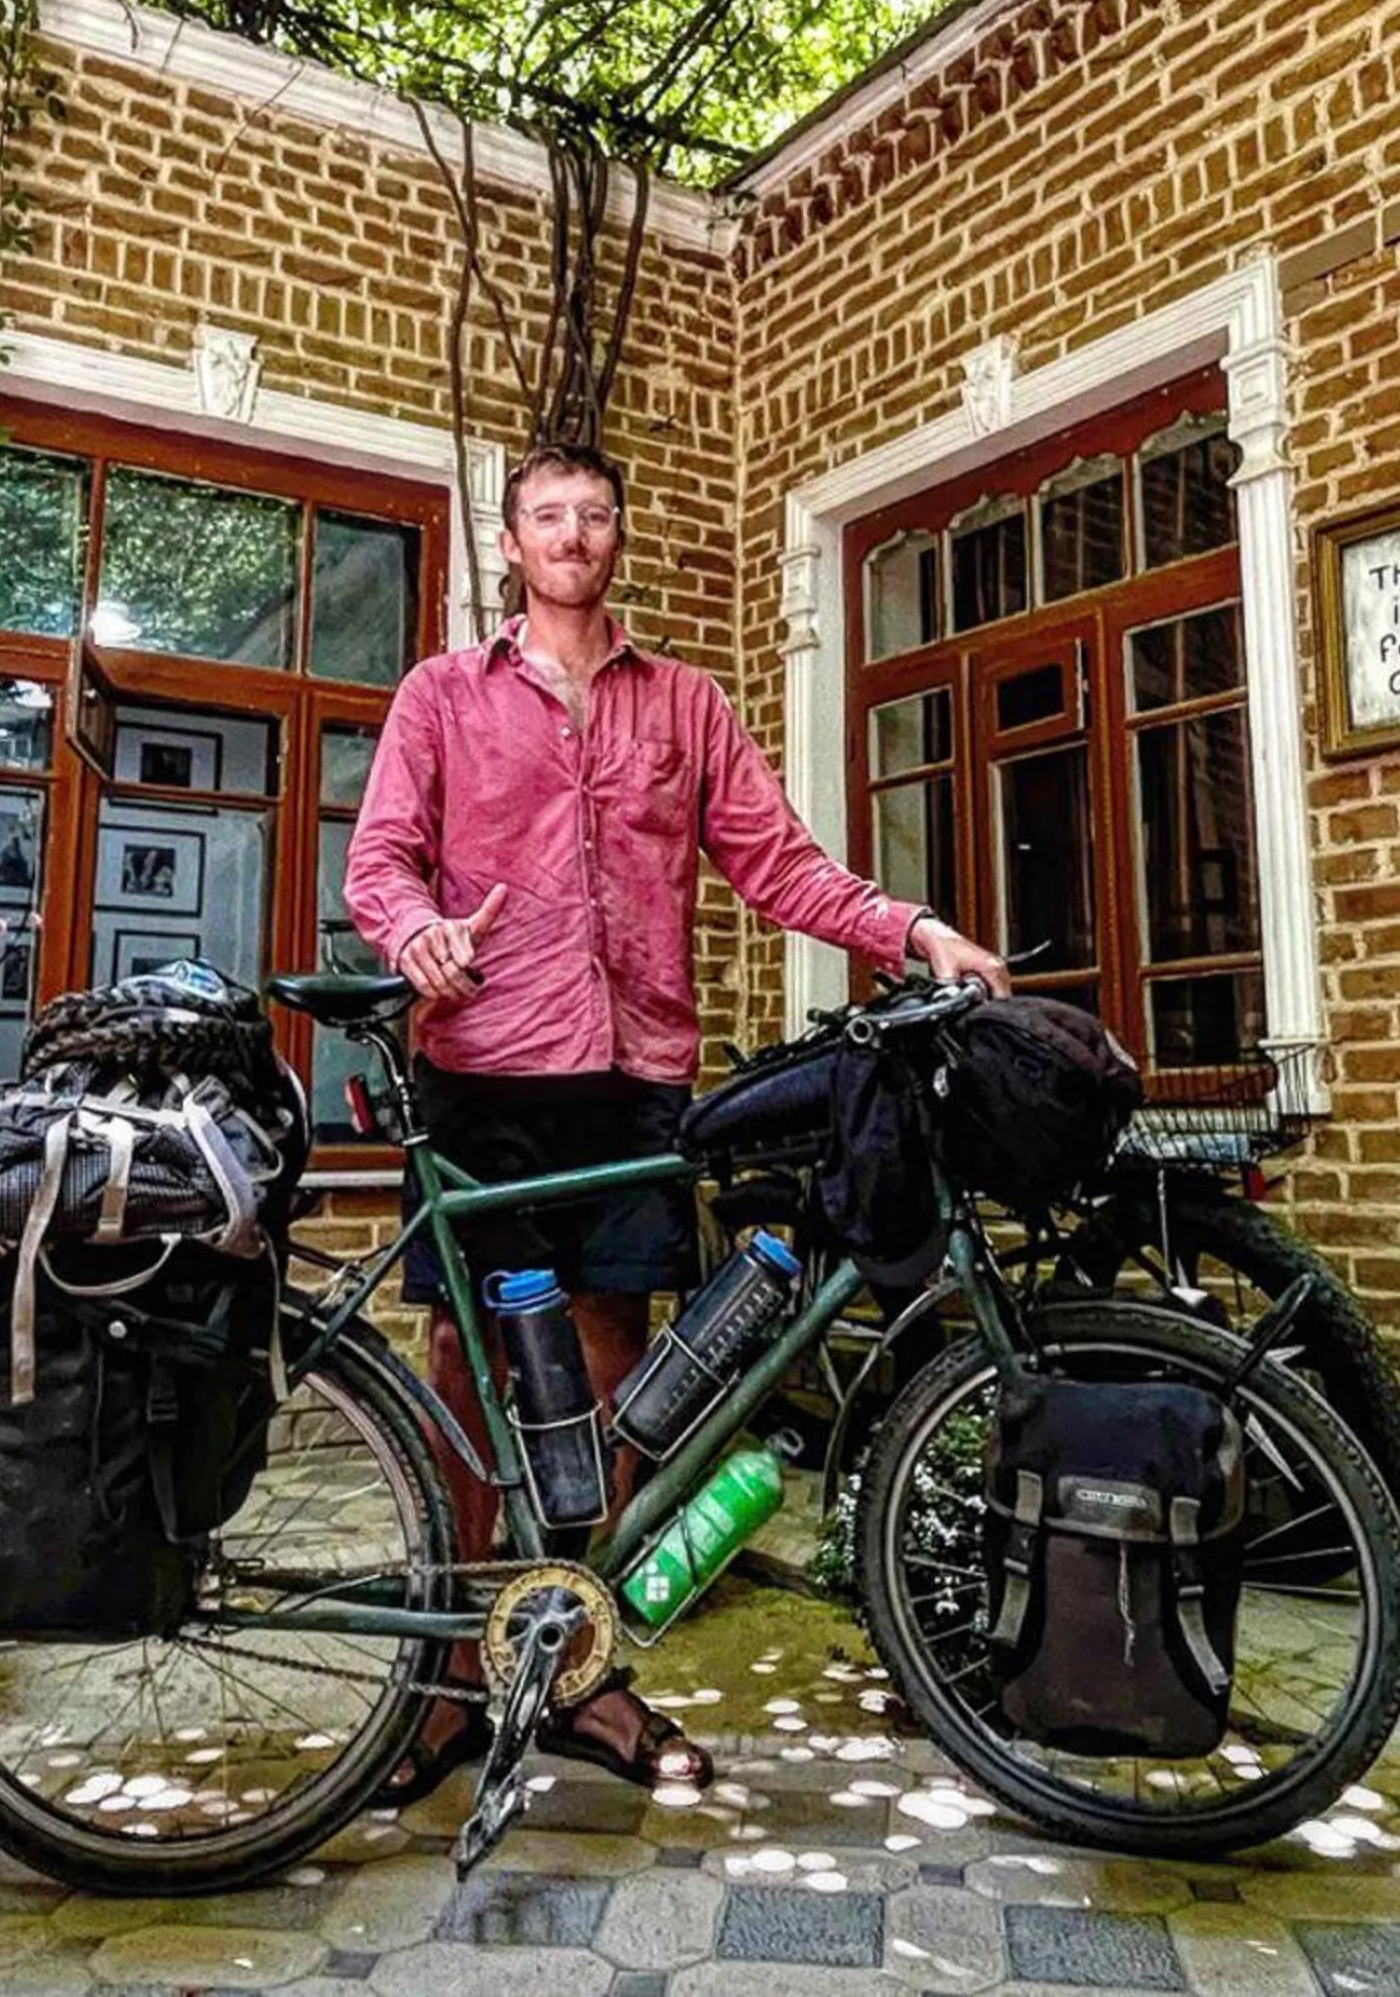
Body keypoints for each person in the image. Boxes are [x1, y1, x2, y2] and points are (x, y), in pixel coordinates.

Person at [344, 439, 1006, 1800]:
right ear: (512, 544)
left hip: (633, 1077)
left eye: (594, 514)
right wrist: (413, 934)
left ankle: (573, 1671)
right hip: (482, 1073)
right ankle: (449, 1683)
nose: (572, 535)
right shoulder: (442, 696)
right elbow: (381, 859)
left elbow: (780, 864)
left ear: (618, 539)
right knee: (472, 1391)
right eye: (547, 516)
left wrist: (913, 927)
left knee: (612, 1387)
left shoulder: (685, 705)